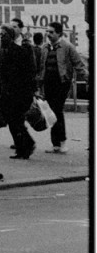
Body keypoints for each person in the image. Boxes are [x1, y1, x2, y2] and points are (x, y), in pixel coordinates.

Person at [40, 21, 87, 154]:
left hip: (62, 83)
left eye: (51, 32)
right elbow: (41, 67)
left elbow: (78, 64)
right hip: (48, 83)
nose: (48, 34)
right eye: (47, 31)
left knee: (57, 111)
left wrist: (88, 79)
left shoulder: (67, 47)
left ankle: (62, 142)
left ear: (59, 33)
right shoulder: (45, 47)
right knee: (51, 113)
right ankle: (56, 144)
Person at [0, 24, 37, 160]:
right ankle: (23, 147)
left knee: (16, 121)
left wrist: (29, 91)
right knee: (13, 122)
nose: (1, 37)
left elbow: (27, 73)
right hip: (7, 93)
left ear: (10, 37)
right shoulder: (1, 52)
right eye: (0, 35)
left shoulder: (18, 51)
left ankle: (25, 146)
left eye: (4, 35)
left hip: (18, 93)